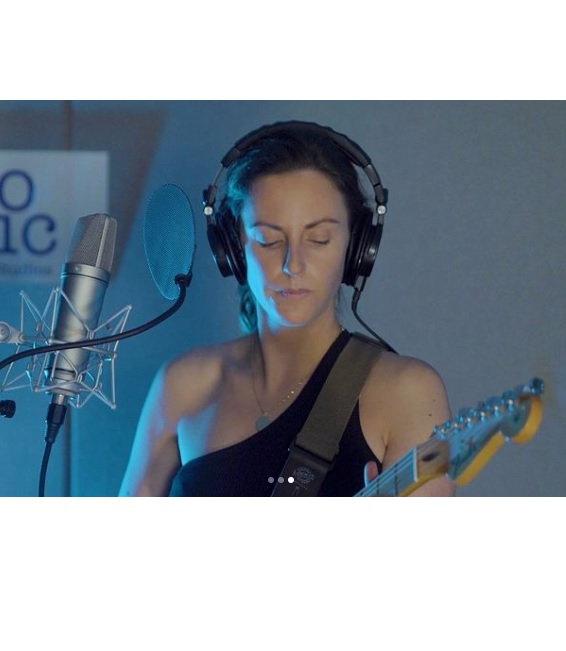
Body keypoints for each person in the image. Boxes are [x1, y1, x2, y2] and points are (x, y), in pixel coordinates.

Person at [119, 121, 454, 497]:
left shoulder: (407, 392)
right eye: (268, 239)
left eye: (319, 239)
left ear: (357, 246)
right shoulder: (182, 386)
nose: (294, 265)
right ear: (233, 248)